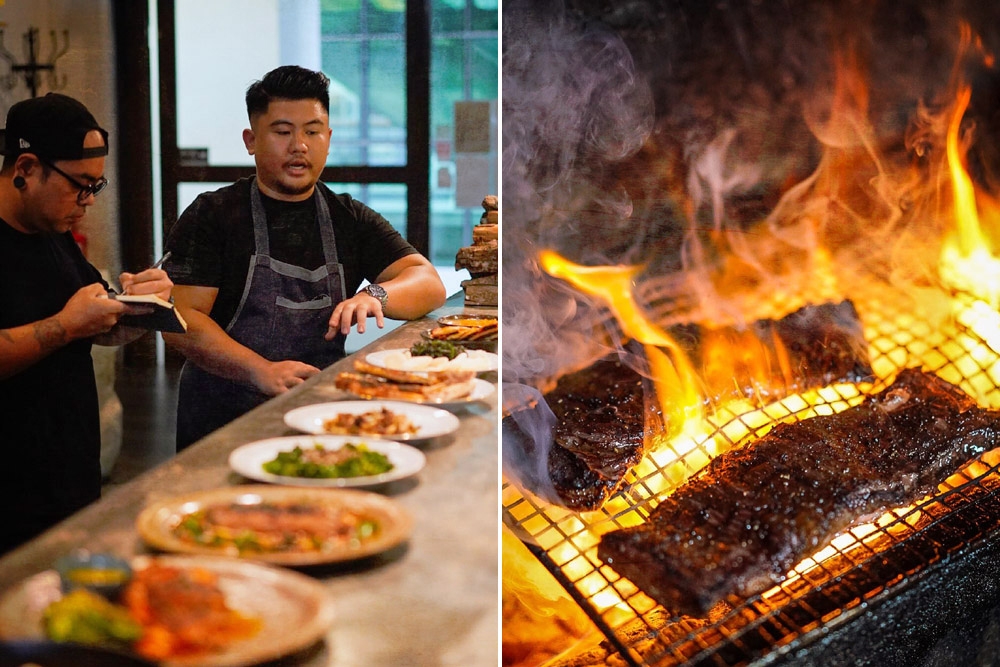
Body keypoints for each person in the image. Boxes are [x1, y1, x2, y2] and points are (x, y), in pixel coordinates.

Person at [162, 65, 446, 449]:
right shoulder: (212, 214)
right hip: (224, 421)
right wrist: (260, 371)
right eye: (282, 132)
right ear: (251, 140)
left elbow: (428, 282)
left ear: (328, 138)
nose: (299, 146)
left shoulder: (349, 217)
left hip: (320, 414)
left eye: (312, 131)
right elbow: (180, 320)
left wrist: (373, 295)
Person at [0, 93, 174, 554]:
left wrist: (136, 308)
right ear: (27, 167)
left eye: (96, 186)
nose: (87, 202)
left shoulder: (51, 231)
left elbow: (90, 327)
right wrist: (66, 324)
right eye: (80, 184)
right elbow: (67, 326)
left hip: (69, 481)